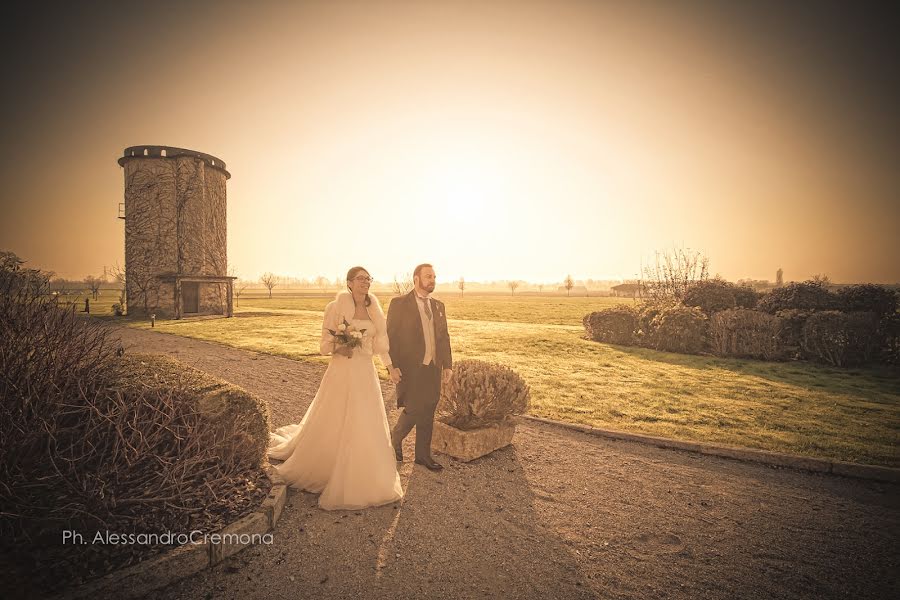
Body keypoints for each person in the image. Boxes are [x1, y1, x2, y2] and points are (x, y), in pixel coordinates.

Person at [267, 267, 403, 510]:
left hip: (365, 374)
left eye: (368, 278)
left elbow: (381, 345)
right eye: (360, 279)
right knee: (335, 416)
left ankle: (365, 471)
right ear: (349, 283)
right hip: (341, 371)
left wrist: (390, 368)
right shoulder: (335, 307)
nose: (365, 282)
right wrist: (341, 346)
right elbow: (323, 345)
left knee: (365, 420)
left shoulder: (375, 309)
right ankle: (327, 466)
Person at [386, 263, 453, 471]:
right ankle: (393, 440)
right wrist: (392, 366)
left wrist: (447, 365)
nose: (432, 280)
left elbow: (444, 338)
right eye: (428, 276)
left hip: (433, 367)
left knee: (429, 409)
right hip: (410, 368)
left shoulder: (438, 306)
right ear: (416, 279)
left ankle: (422, 456)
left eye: (434, 276)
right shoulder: (399, 304)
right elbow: (390, 337)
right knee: (414, 409)